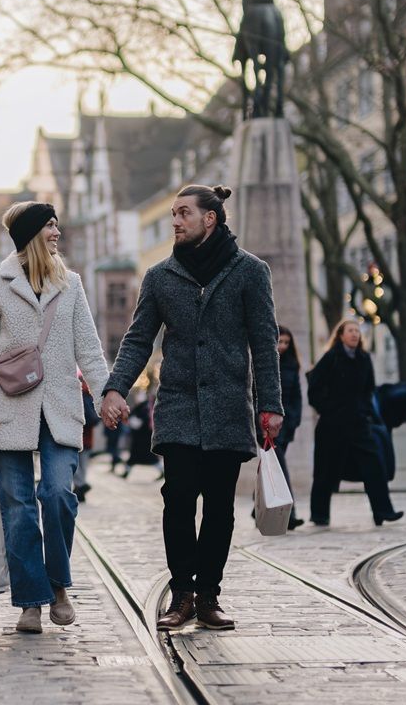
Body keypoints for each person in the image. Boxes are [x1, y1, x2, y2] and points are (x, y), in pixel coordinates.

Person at [101, 184, 283, 632]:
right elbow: (139, 338)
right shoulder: (160, 276)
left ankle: (208, 596)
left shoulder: (249, 272)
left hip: (226, 405)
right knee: (178, 498)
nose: (176, 222)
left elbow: (264, 343)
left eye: (184, 213)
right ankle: (181, 594)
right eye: (173, 215)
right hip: (179, 403)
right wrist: (115, 388)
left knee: (220, 507)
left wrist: (270, 403)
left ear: (210, 219)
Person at [0, 202, 110, 634]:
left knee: (58, 495)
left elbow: (89, 349)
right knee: (18, 507)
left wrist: (106, 398)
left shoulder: (72, 284)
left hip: (61, 408)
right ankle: (31, 600)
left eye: (57, 223)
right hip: (7, 407)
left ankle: (59, 583)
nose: (56, 231)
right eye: (48, 225)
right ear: (30, 234)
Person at [306, 319, 403, 528]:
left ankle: (383, 511)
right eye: (350, 331)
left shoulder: (364, 359)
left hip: (359, 423)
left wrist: (366, 412)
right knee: (325, 470)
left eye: (357, 331)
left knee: (375, 466)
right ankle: (319, 514)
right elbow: (313, 389)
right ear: (340, 335)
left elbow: (369, 389)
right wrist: (328, 409)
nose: (355, 334)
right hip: (332, 425)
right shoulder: (331, 358)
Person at [275, 326, 305, 530]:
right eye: (280, 342)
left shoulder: (292, 365)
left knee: (274, 468)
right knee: (280, 468)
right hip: (267, 426)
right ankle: (290, 514)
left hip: (287, 425)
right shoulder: (264, 363)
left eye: (286, 342)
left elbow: (297, 394)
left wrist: (294, 419)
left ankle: (256, 503)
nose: (283, 346)